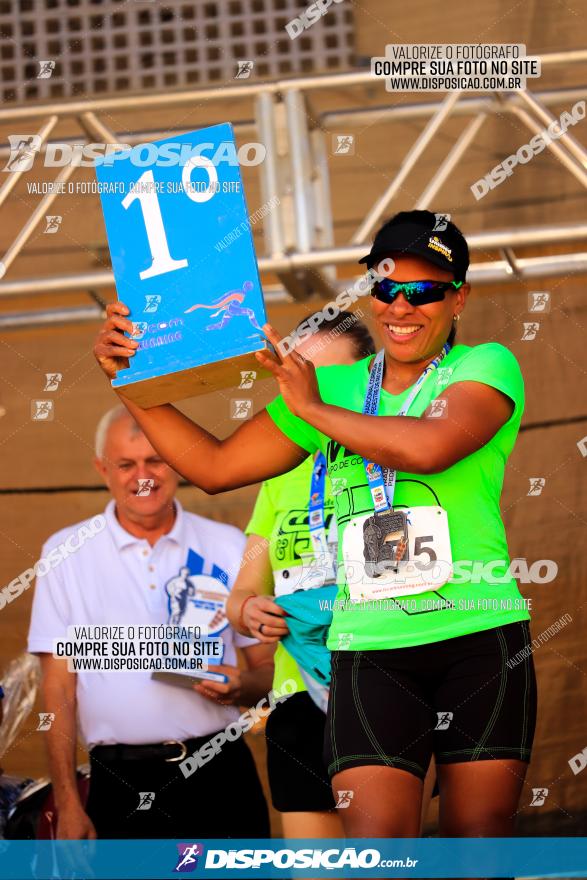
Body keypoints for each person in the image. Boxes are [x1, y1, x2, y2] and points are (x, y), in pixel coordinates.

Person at [93, 209, 536, 839]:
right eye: (387, 287)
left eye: (425, 290)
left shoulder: (487, 365)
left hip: (477, 634)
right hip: (368, 647)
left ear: (459, 296)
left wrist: (310, 407)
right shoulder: (333, 384)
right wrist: (130, 383)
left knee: (477, 852)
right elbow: (215, 466)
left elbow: (429, 446)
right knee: (376, 856)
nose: (402, 306)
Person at [27, 405, 272, 840]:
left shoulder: (229, 545)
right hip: (118, 783)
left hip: (220, 772)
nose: (143, 476)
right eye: (126, 464)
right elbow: (58, 689)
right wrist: (66, 800)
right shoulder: (64, 553)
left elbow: (269, 671)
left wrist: (243, 688)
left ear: (176, 462)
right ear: (103, 469)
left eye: (156, 459)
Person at [227, 311, 375, 839]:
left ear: (368, 379)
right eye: (299, 372)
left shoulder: (390, 457)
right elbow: (243, 591)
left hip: (380, 686)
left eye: (328, 378)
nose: (309, 390)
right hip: (299, 696)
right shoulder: (278, 470)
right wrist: (247, 610)